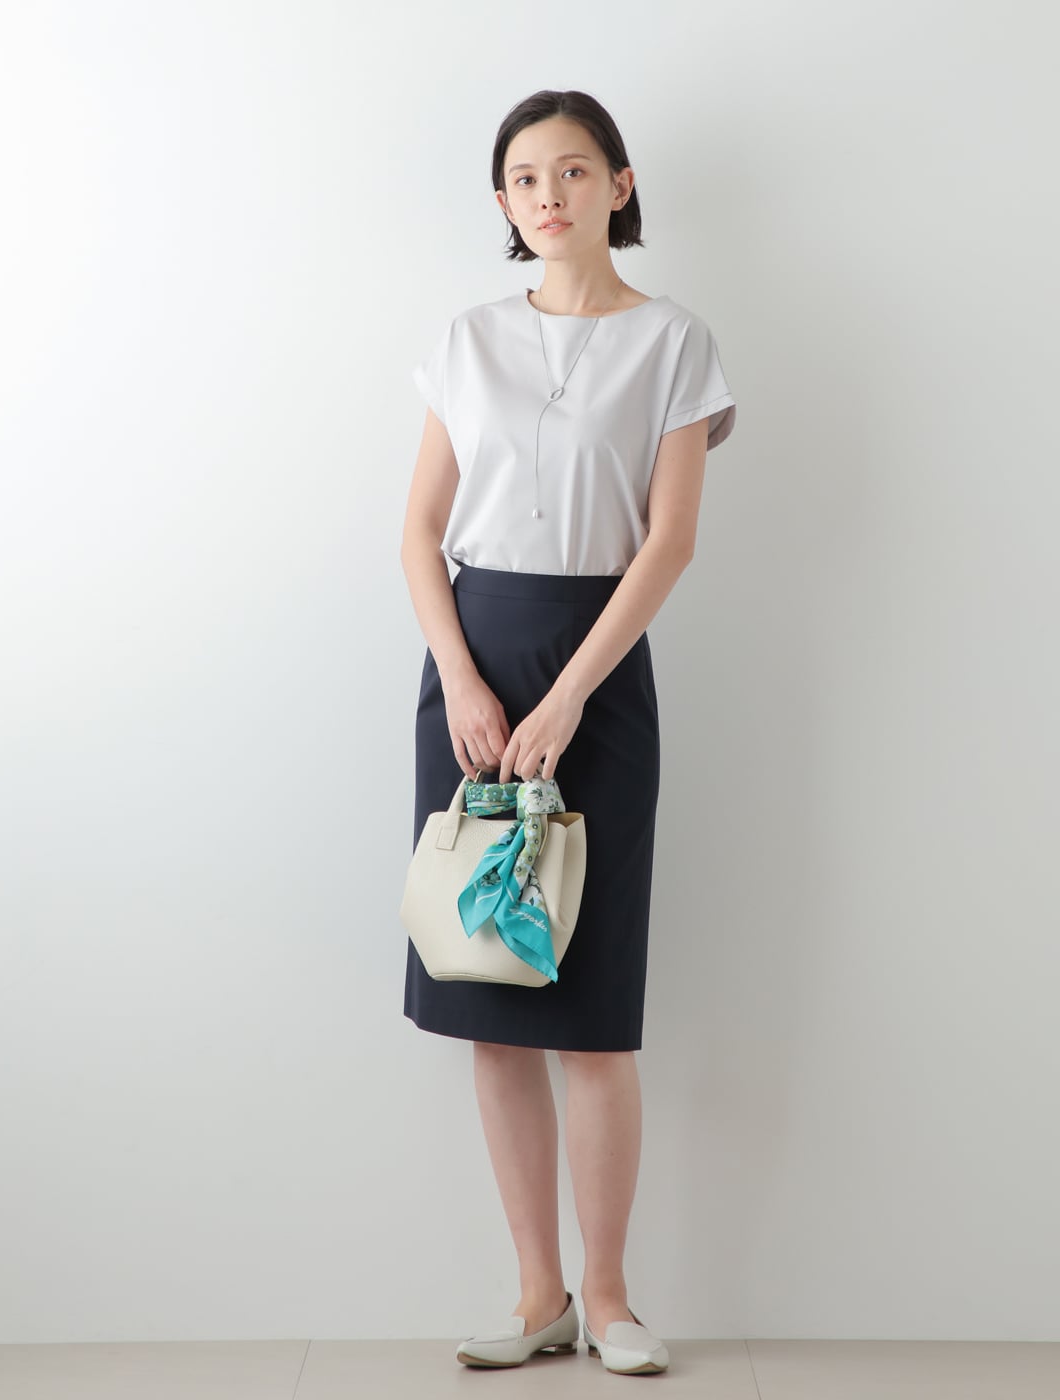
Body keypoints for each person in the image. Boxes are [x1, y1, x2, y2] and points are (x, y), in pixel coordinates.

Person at [399, 88, 736, 1376]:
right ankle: (537, 1294)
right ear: (504, 202)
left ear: (619, 184)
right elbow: (419, 533)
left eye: (575, 171)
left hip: (595, 673)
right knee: (491, 990)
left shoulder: (676, 342)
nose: (550, 195)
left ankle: (609, 1297)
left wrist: (568, 696)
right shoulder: (467, 339)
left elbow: (670, 542)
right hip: (471, 678)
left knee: (592, 1006)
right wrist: (462, 679)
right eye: (526, 178)